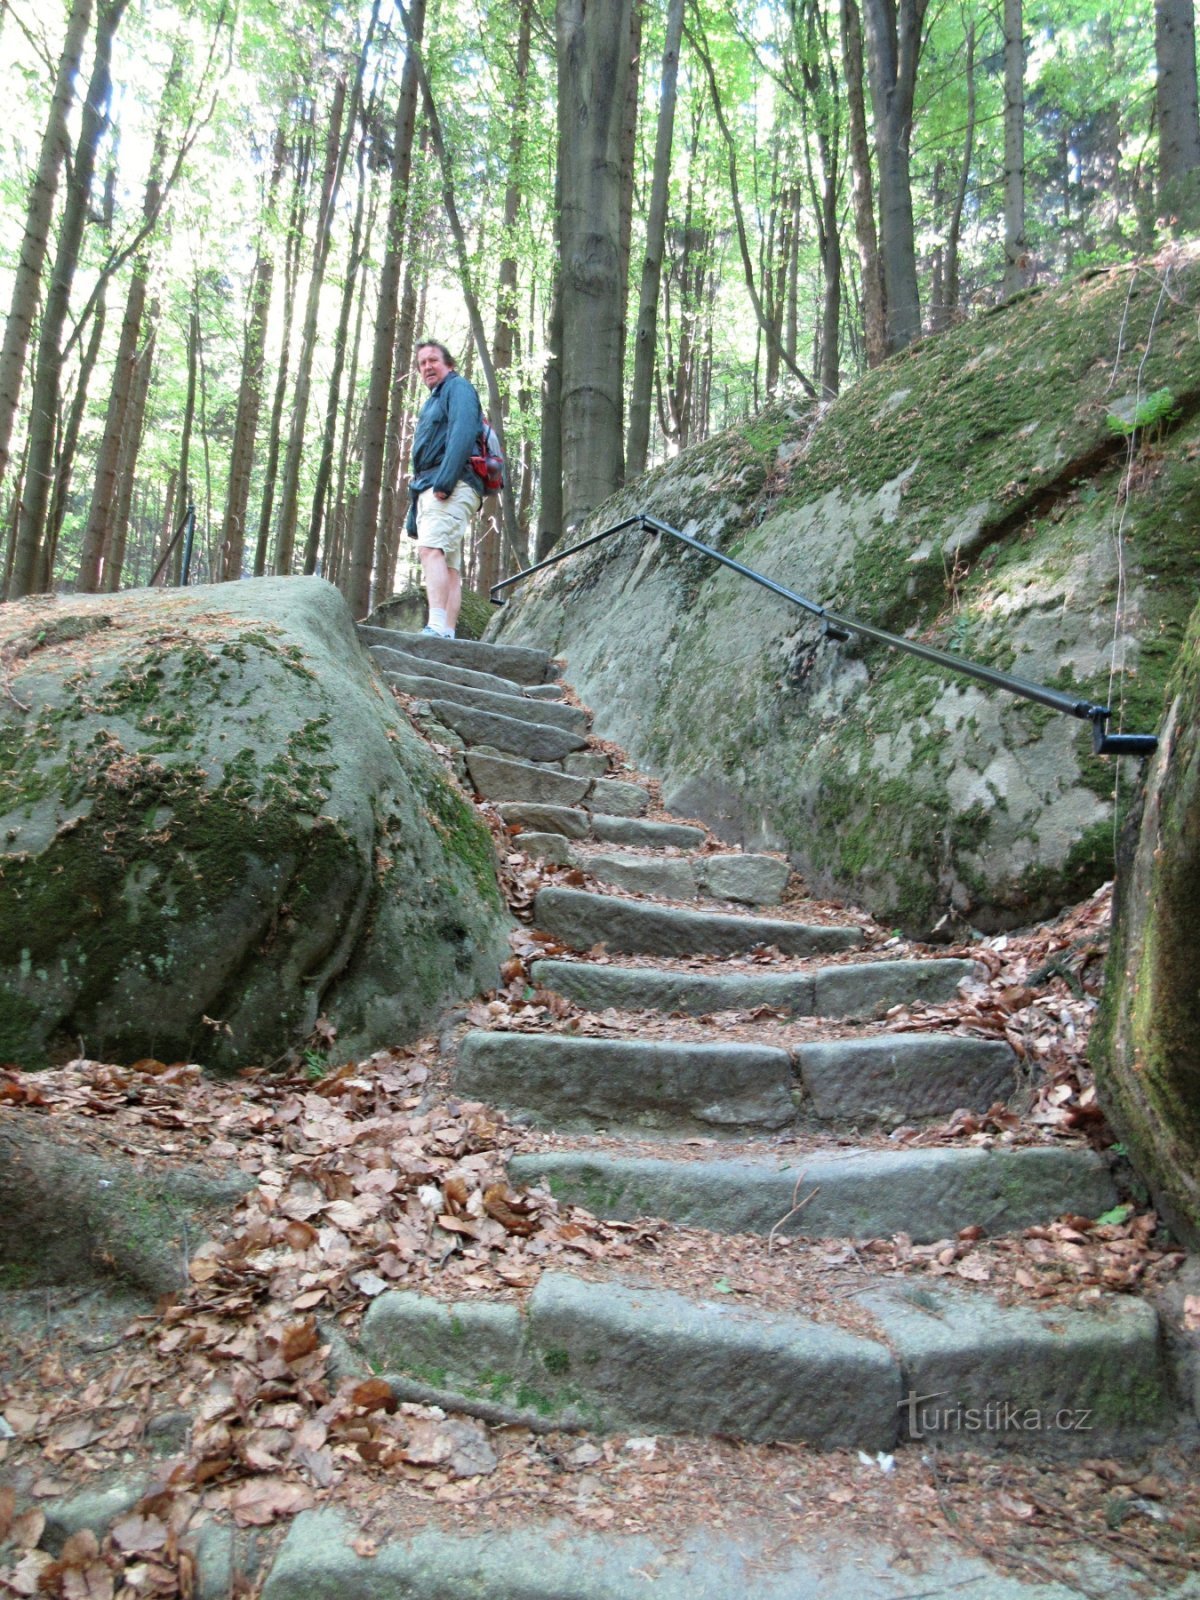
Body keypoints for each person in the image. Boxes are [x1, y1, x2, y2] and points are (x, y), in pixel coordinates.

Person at [407, 340, 483, 638]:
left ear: (448, 364)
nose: (427, 366)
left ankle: (436, 625)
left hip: (449, 483)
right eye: (422, 363)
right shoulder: (436, 398)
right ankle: (447, 631)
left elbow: (463, 431)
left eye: (433, 360)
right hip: (436, 483)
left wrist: (445, 481)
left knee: (430, 549)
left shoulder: (458, 388)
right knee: (447, 561)